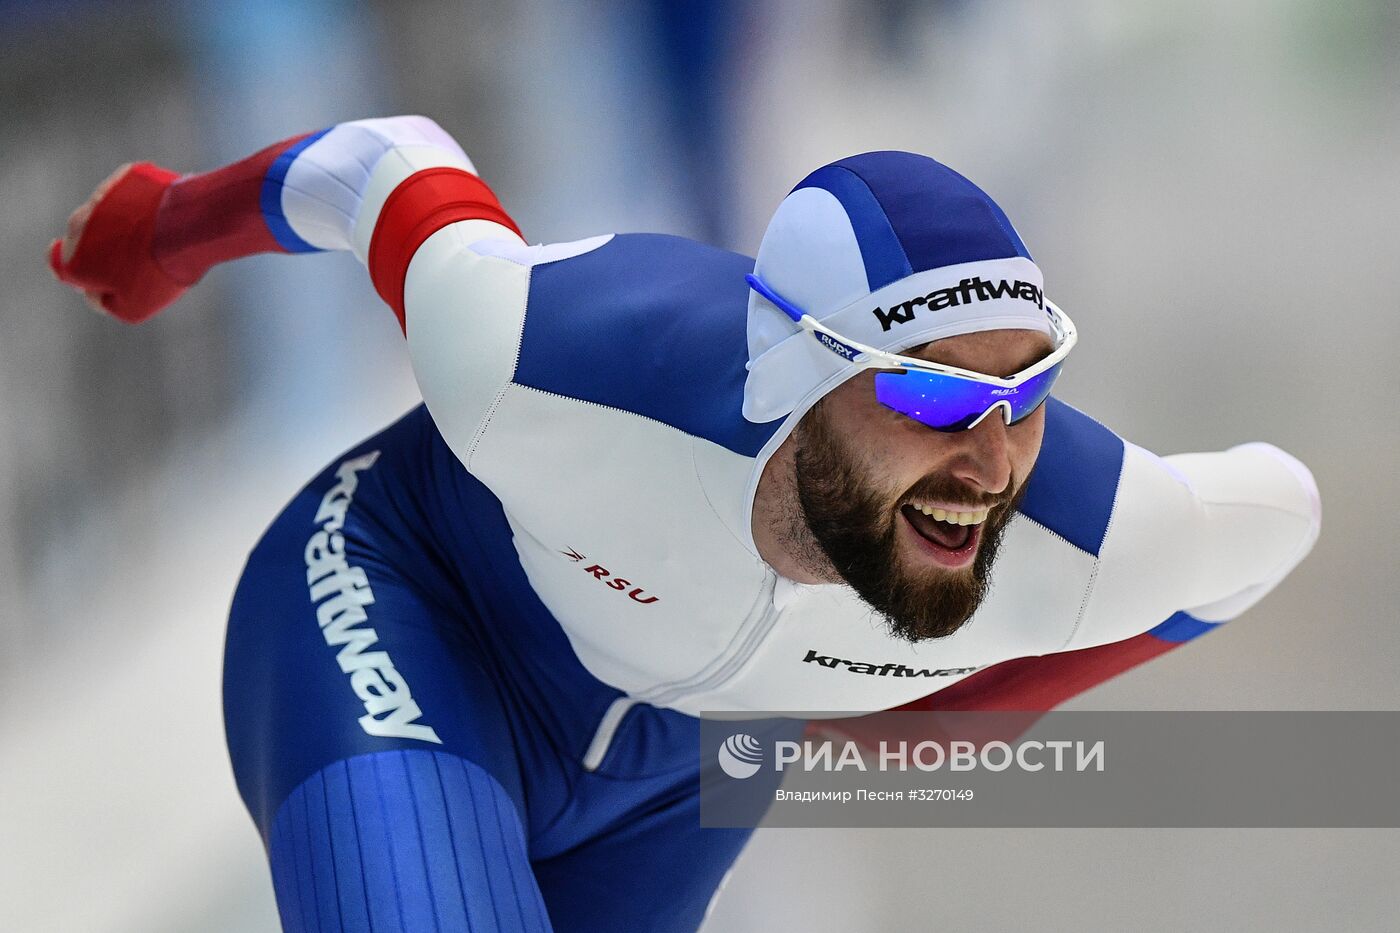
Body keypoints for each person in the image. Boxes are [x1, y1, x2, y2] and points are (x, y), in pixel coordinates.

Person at [50, 116, 1321, 932]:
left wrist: (970, 712)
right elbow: (378, 162)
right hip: (413, 611)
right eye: (932, 391)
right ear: (792, 382)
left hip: (684, 769)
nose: (990, 462)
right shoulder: (542, 360)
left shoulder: (1084, 536)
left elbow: (1277, 517)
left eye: (1027, 390)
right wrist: (164, 232)